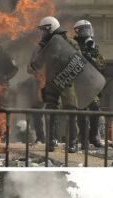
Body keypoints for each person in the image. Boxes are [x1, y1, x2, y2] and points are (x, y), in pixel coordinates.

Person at [29, 16, 80, 153]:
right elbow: (35, 65)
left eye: (44, 30)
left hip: (66, 81)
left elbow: (78, 62)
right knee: (51, 112)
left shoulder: (70, 43)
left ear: (50, 28)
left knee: (71, 112)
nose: (42, 33)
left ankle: (72, 142)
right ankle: (50, 141)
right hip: (51, 83)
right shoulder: (43, 46)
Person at [74, 20, 105, 149]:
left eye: (88, 29)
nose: (86, 33)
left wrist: (90, 56)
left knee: (95, 108)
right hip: (79, 84)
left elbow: (101, 65)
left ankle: (94, 136)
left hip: (91, 84)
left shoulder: (93, 47)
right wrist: (81, 56)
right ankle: (84, 138)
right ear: (77, 32)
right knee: (81, 111)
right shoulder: (73, 45)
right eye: (83, 30)